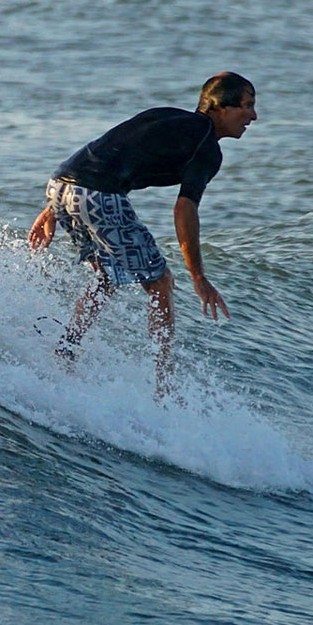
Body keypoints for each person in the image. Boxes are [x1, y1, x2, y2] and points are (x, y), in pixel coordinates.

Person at [26, 72, 259, 394]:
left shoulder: (165, 116)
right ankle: (163, 387)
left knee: (108, 275)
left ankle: (65, 350)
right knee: (161, 281)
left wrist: (54, 206)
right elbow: (184, 210)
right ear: (221, 107)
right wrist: (199, 278)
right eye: (247, 106)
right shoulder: (206, 148)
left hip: (60, 183)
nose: (253, 116)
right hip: (96, 194)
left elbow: (104, 151)